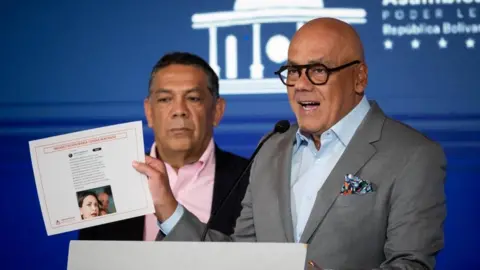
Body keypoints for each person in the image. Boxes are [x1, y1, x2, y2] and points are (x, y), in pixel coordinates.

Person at [133, 18, 447, 270]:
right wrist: (169, 210)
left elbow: (410, 264)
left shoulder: (414, 156)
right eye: (294, 71)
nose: (301, 85)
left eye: (318, 71)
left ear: (359, 78)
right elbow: (238, 258)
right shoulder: (272, 149)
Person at [78, 52, 250, 241]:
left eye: (193, 98)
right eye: (165, 99)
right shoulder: (110, 180)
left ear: (217, 111)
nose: (179, 111)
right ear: (149, 112)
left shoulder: (252, 180)